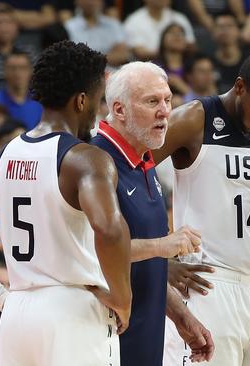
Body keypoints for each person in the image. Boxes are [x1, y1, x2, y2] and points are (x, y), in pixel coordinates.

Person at [0, 40, 132, 365]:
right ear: (82, 100)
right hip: (74, 313)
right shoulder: (86, 159)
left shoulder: (2, 158)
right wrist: (123, 298)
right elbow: (110, 230)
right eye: (98, 102)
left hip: (17, 316)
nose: (99, 114)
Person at [155, 51, 250, 366]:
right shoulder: (194, 119)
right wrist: (158, 259)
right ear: (240, 87)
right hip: (208, 282)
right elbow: (131, 179)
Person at [91, 61, 212, 365]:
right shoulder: (94, 162)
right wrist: (164, 245)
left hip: (147, 338)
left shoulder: (144, 159)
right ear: (119, 110)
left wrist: (182, 317)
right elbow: (91, 250)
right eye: (152, 102)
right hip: (104, 338)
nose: (165, 111)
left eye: (168, 100)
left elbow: (148, 266)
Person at [0, 51, 43, 131]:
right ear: (4, 71)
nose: (17, 73)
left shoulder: (41, 100)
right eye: (12, 68)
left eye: (23, 68)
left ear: (30, 71)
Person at [64, 0, 130, 67]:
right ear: (77, 1)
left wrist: (90, 59)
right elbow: (74, 60)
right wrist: (109, 56)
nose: (90, 2)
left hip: (114, 74)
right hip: (84, 75)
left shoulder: (114, 25)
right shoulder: (68, 27)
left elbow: (123, 56)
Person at [123, 0, 196, 61]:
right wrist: (169, 51)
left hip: (181, 66)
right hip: (147, 67)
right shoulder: (133, 21)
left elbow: (191, 46)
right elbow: (139, 52)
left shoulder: (180, 18)